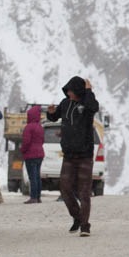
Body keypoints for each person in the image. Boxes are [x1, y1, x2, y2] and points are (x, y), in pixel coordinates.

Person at [46, 76, 99, 236]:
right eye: (67, 90)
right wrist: (51, 113)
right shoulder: (65, 103)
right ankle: (77, 217)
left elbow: (93, 107)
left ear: (78, 90)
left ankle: (85, 226)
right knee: (65, 189)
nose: (69, 93)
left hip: (84, 155)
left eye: (71, 90)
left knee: (84, 192)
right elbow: (55, 117)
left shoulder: (87, 104)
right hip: (68, 155)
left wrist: (89, 90)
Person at [20, 104, 45, 204]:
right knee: (37, 176)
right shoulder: (40, 127)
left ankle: (33, 197)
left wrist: (22, 150)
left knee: (32, 176)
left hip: (30, 155)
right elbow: (42, 140)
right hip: (40, 154)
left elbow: (26, 141)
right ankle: (38, 197)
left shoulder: (28, 127)